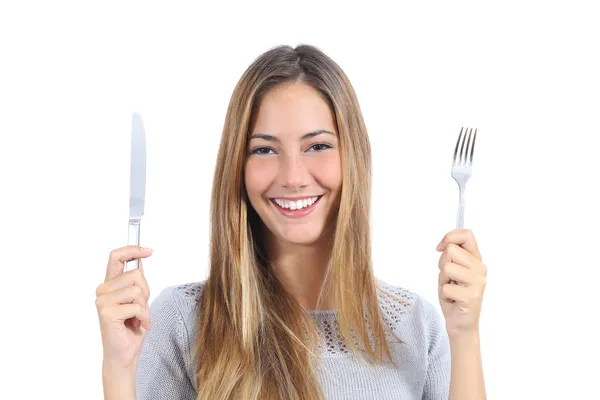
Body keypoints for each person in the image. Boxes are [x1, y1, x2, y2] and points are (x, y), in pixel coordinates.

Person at [96, 44, 487, 400]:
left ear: (353, 158)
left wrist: (464, 335)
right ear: (238, 167)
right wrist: (118, 368)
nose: (293, 176)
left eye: (317, 146)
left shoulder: (418, 326)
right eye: (264, 149)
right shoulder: (183, 321)